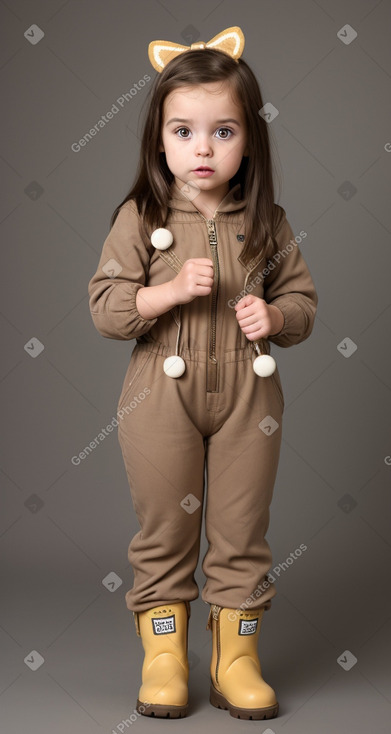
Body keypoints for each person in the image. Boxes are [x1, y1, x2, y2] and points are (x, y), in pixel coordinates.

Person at [88, 26, 318, 721]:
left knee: (242, 527)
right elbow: (105, 308)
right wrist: (164, 294)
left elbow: (303, 303)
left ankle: (235, 657)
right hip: (161, 390)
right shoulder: (141, 215)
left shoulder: (268, 222)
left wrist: (274, 320)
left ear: (249, 140)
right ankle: (163, 656)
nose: (203, 148)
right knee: (164, 525)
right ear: (160, 140)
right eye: (184, 131)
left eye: (223, 132)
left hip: (250, 392)